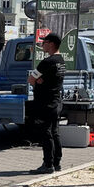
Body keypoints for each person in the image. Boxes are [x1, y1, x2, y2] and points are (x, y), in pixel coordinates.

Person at [28, 32, 66, 174]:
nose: (42, 45)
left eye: (44, 42)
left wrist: (38, 82)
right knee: (55, 132)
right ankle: (57, 162)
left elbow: (31, 79)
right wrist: (40, 80)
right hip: (56, 100)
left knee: (46, 133)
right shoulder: (61, 61)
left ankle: (48, 164)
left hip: (45, 102)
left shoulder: (47, 62)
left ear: (50, 44)